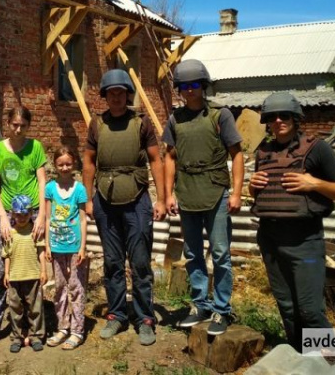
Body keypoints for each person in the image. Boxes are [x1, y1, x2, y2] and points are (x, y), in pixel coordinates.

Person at [248, 92, 335, 351]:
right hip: (271, 239)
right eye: (272, 117)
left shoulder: (317, 149)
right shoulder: (263, 151)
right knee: (287, 306)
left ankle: (328, 361)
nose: (279, 120)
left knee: (310, 310)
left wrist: (313, 182)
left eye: (285, 115)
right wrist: (252, 186)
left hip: (304, 241)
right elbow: (261, 191)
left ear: (295, 118)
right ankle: (300, 355)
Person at [82, 69, 166, 346]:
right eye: (111, 92)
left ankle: (144, 319)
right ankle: (117, 314)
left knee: (140, 264)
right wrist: (88, 198)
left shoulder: (141, 123)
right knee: (112, 262)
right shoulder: (96, 124)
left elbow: (156, 160)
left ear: (127, 94)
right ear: (105, 95)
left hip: (137, 200)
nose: (116, 96)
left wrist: (162, 198)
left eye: (121, 91)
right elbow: (89, 163)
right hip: (106, 202)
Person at [163, 59, 244, 335]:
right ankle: (200, 305)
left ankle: (222, 310)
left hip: (216, 190)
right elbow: (170, 158)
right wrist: (169, 194)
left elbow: (237, 154)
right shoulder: (175, 119)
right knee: (192, 252)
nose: (189, 91)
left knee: (220, 253)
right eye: (184, 86)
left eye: (195, 85)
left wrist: (236, 192)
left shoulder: (220, 115)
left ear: (204, 86)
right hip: (187, 192)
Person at [0, 106, 48, 351]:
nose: (18, 129)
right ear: (7, 123)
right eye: (14, 125)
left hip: (33, 214)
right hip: (8, 216)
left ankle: (30, 328)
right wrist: (3, 218)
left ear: (29, 125)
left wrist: (42, 217)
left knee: (32, 269)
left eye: (23, 126)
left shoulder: (35, 147)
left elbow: (42, 181)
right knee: (1, 271)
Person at [44, 147, 88, 351]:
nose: (64, 167)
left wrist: (83, 247)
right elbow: (46, 217)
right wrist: (46, 243)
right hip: (56, 246)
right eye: (60, 164)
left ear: (74, 165)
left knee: (76, 287)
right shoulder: (50, 188)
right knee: (60, 288)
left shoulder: (79, 189)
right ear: (55, 165)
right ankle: (63, 326)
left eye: (68, 164)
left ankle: (77, 330)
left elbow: (82, 218)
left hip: (74, 247)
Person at [3, 194, 47, 353]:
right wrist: (6, 273)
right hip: (15, 277)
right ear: (13, 214)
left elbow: (41, 251)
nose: (22, 218)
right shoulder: (10, 233)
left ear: (31, 214)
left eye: (25, 214)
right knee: (15, 309)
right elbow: (6, 255)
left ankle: (36, 336)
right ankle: (17, 337)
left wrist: (43, 270)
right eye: (18, 214)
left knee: (35, 308)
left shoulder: (35, 231)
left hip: (33, 275)